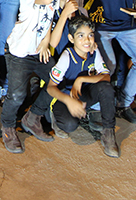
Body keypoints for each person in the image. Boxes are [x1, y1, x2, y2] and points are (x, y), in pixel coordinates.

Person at [0, 0, 78, 153]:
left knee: (56, 81)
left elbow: (49, 15)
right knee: (16, 95)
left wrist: (45, 40)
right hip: (19, 52)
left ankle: (33, 117)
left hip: (38, 50)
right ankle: (7, 127)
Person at [46, 16, 118, 157]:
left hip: (83, 93)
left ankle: (109, 134)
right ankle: (55, 116)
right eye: (81, 36)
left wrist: (81, 79)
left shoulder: (93, 51)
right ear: (71, 38)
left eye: (90, 35)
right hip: (65, 97)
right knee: (70, 125)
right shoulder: (67, 56)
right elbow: (50, 87)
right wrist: (69, 101)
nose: (87, 40)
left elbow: (106, 76)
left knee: (106, 88)